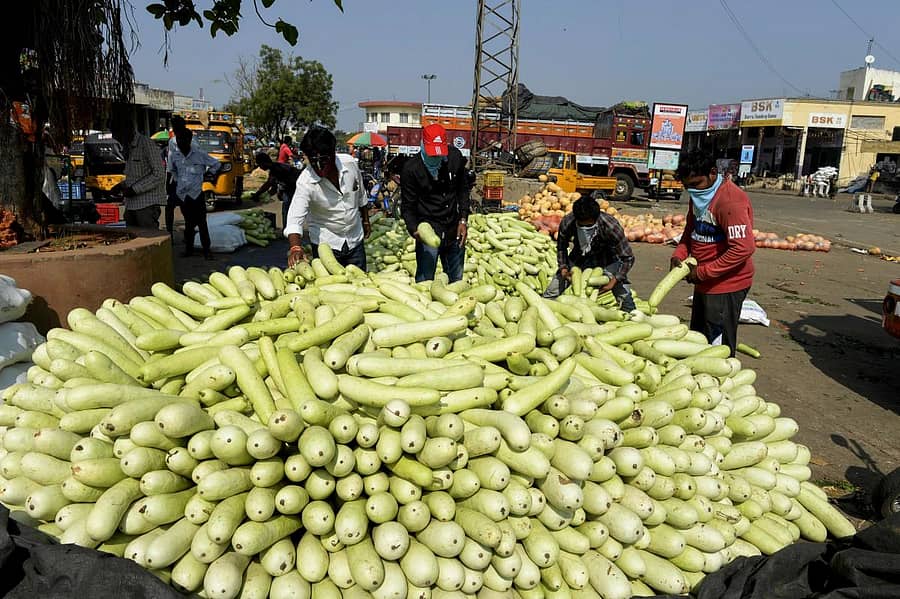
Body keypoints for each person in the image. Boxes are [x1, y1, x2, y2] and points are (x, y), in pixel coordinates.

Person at [671, 149, 755, 357]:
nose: (692, 190)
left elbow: (742, 248)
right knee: (699, 339)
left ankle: (721, 384)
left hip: (726, 284)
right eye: (687, 186)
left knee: (717, 347)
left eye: (696, 184)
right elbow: (691, 231)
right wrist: (679, 254)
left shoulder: (730, 201)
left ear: (712, 173)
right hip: (703, 281)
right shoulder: (698, 196)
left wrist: (703, 272)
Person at [284, 127, 370, 270]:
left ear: (333, 152)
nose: (318, 166)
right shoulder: (305, 183)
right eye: (313, 160)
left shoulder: (350, 164)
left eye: (323, 159)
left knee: (360, 285)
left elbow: (361, 195)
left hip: (355, 241)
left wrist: (366, 221)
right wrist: (295, 247)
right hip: (326, 245)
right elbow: (294, 219)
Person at [400, 124, 470, 282]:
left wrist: (463, 219)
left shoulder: (454, 157)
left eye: (439, 154)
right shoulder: (411, 169)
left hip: (453, 230)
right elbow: (407, 207)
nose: (436, 158)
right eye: (432, 154)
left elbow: (463, 190)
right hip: (429, 231)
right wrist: (414, 229)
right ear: (423, 144)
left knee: (456, 280)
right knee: (425, 280)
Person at [543, 196, 636, 311]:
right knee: (550, 293)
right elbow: (562, 247)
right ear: (576, 219)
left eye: (588, 226)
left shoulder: (610, 226)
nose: (585, 228)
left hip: (608, 260)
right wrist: (563, 268)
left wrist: (614, 280)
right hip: (579, 258)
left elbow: (628, 258)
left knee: (625, 300)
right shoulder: (568, 222)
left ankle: (631, 315)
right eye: (581, 226)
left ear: (596, 218)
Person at [167, 128, 221, 259]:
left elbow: (216, 164)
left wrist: (210, 175)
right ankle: (189, 249)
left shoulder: (199, 154)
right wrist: (174, 185)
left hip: (196, 194)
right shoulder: (174, 155)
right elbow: (171, 170)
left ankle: (207, 251)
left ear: (190, 140)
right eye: (178, 140)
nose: (181, 142)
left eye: (183, 140)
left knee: (202, 223)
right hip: (183, 195)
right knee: (188, 224)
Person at [109, 108, 167, 228]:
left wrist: (134, 190)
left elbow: (159, 174)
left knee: (149, 240)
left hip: (147, 204)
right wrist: (121, 186)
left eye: (119, 136)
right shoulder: (128, 148)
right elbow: (136, 175)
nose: (118, 140)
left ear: (128, 129)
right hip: (131, 205)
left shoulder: (146, 144)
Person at [252, 152, 302, 228]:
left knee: (287, 209)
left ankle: (288, 230)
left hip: (295, 187)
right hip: (290, 188)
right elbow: (273, 188)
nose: (260, 167)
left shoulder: (276, 168)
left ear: (264, 162)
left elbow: (269, 183)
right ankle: (288, 229)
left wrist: (258, 194)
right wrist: (265, 196)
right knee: (288, 209)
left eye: (259, 164)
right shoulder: (275, 168)